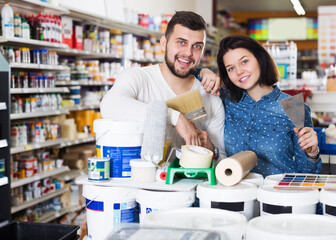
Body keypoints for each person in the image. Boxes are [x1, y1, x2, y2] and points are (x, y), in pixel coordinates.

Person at [100, 11, 226, 158]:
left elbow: (222, 160)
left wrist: (211, 150)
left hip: (190, 180)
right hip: (141, 178)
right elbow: (109, 105)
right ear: (164, 43)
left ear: (203, 51)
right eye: (181, 42)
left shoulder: (210, 97)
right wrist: (175, 117)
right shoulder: (138, 78)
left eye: (197, 46)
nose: (188, 53)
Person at [196, 35, 321, 177]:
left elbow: (308, 175)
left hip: (278, 195)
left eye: (244, 61)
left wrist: (312, 152)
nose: (239, 71)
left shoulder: (294, 107)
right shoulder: (225, 100)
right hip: (237, 194)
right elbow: (186, 71)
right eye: (230, 68)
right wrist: (204, 71)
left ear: (260, 58)